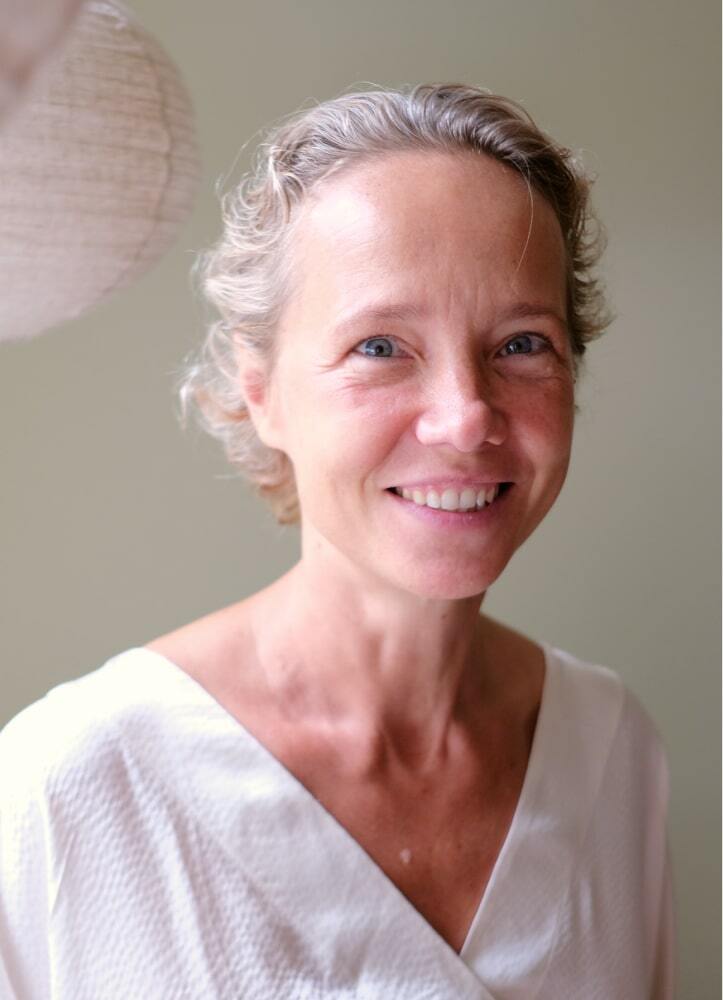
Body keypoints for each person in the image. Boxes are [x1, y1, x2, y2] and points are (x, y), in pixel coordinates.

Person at [0, 84, 675, 999]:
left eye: (521, 344)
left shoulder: (612, 754)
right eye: (380, 347)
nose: (465, 417)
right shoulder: (70, 787)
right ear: (261, 393)